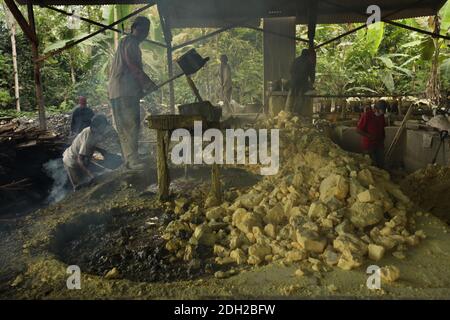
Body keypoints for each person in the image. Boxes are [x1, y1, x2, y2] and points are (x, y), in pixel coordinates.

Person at [108, 16, 157, 170]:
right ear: (135, 28)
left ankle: (129, 159)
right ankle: (133, 161)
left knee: (123, 126)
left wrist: (141, 88)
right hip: (125, 91)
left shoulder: (123, 42)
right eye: (143, 29)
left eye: (147, 31)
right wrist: (148, 83)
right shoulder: (132, 43)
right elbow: (133, 66)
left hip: (115, 90)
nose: (145, 33)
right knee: (131, 124)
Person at [63, 114, 109, 191]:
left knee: (102, 172)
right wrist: (90, 174)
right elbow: (80, 160)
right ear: (97, 127)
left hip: (81, 158)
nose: (104, 128)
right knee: (80, 187)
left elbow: (88, 145)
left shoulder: (91, 130)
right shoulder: (89, 138)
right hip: (71, 162)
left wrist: (100, 150)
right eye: (103, 126)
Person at [357, 101, 387, 168]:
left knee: (381, 163)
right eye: (382, 110)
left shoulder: (381, 116)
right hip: (368, 145)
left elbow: (382, 128)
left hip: (379, 144)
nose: (383, 112)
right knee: (370, 165)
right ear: (376, 109)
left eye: (384, 111)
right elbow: (358, 130)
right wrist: (369, 136)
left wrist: (383, 139)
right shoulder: (367, 115)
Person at [285, 48, 316, 115]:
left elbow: (290, 71)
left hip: (293, 83)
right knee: (300, 97)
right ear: (307, 55)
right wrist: (312, 83)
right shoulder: (308, 62)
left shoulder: (295, 60)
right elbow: (312, 74)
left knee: (291, 97)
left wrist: (294, 78)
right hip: (302, 83)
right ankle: (297, 113)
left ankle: (288, 112)